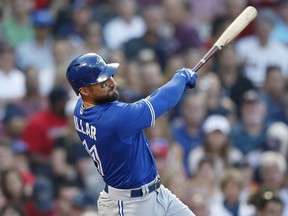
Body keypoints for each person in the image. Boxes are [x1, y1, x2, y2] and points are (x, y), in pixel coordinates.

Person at [66, 53, 198, 215]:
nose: (113, 83)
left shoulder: (80, 108)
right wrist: (181, 77)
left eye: (110, 77)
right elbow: (163, 101)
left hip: (155, 192)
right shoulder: (116, 119)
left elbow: (144, 105)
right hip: (130, 205)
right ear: (85, 90)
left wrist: (177, 83)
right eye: (103, 83)